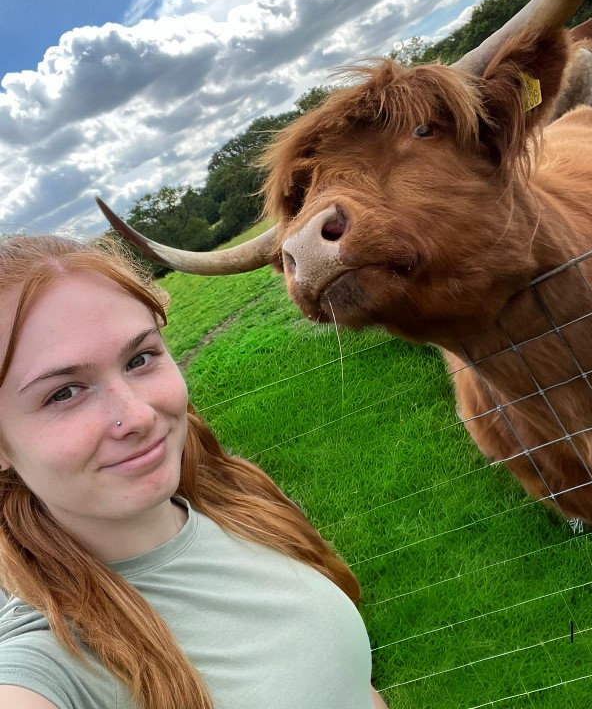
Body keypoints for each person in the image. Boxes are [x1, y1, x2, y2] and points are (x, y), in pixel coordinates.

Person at [0, 234, 388, 709]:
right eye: (64, 393)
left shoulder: (236, 498)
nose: (139, 416)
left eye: (140, 358)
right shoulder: (48, 666)